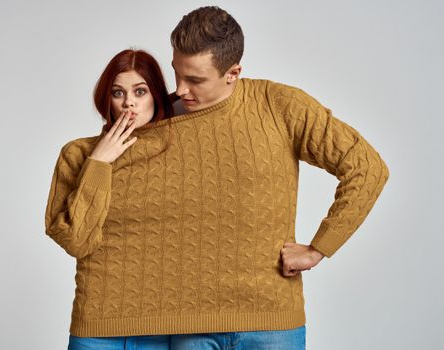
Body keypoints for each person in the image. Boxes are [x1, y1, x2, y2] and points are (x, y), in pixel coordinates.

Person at [45, 7, 389, 350]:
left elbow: (366, 167)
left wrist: (319, 249)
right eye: (176, 73)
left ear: (233, 73)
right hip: (191, 327)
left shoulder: (280, 106)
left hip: (272, 320)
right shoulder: (160, 120)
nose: (180, 90)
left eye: (195, 80)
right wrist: (97, 162)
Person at [44, 49, 175, 349]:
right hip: (96, 327)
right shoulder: (77, 154)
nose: (129, 102)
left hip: (165, 328)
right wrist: (98, 163)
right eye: (118, 92)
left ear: (156, 94)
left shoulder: (177, 152)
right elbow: (77, 241)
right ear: (108, 98)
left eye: (140, 91)